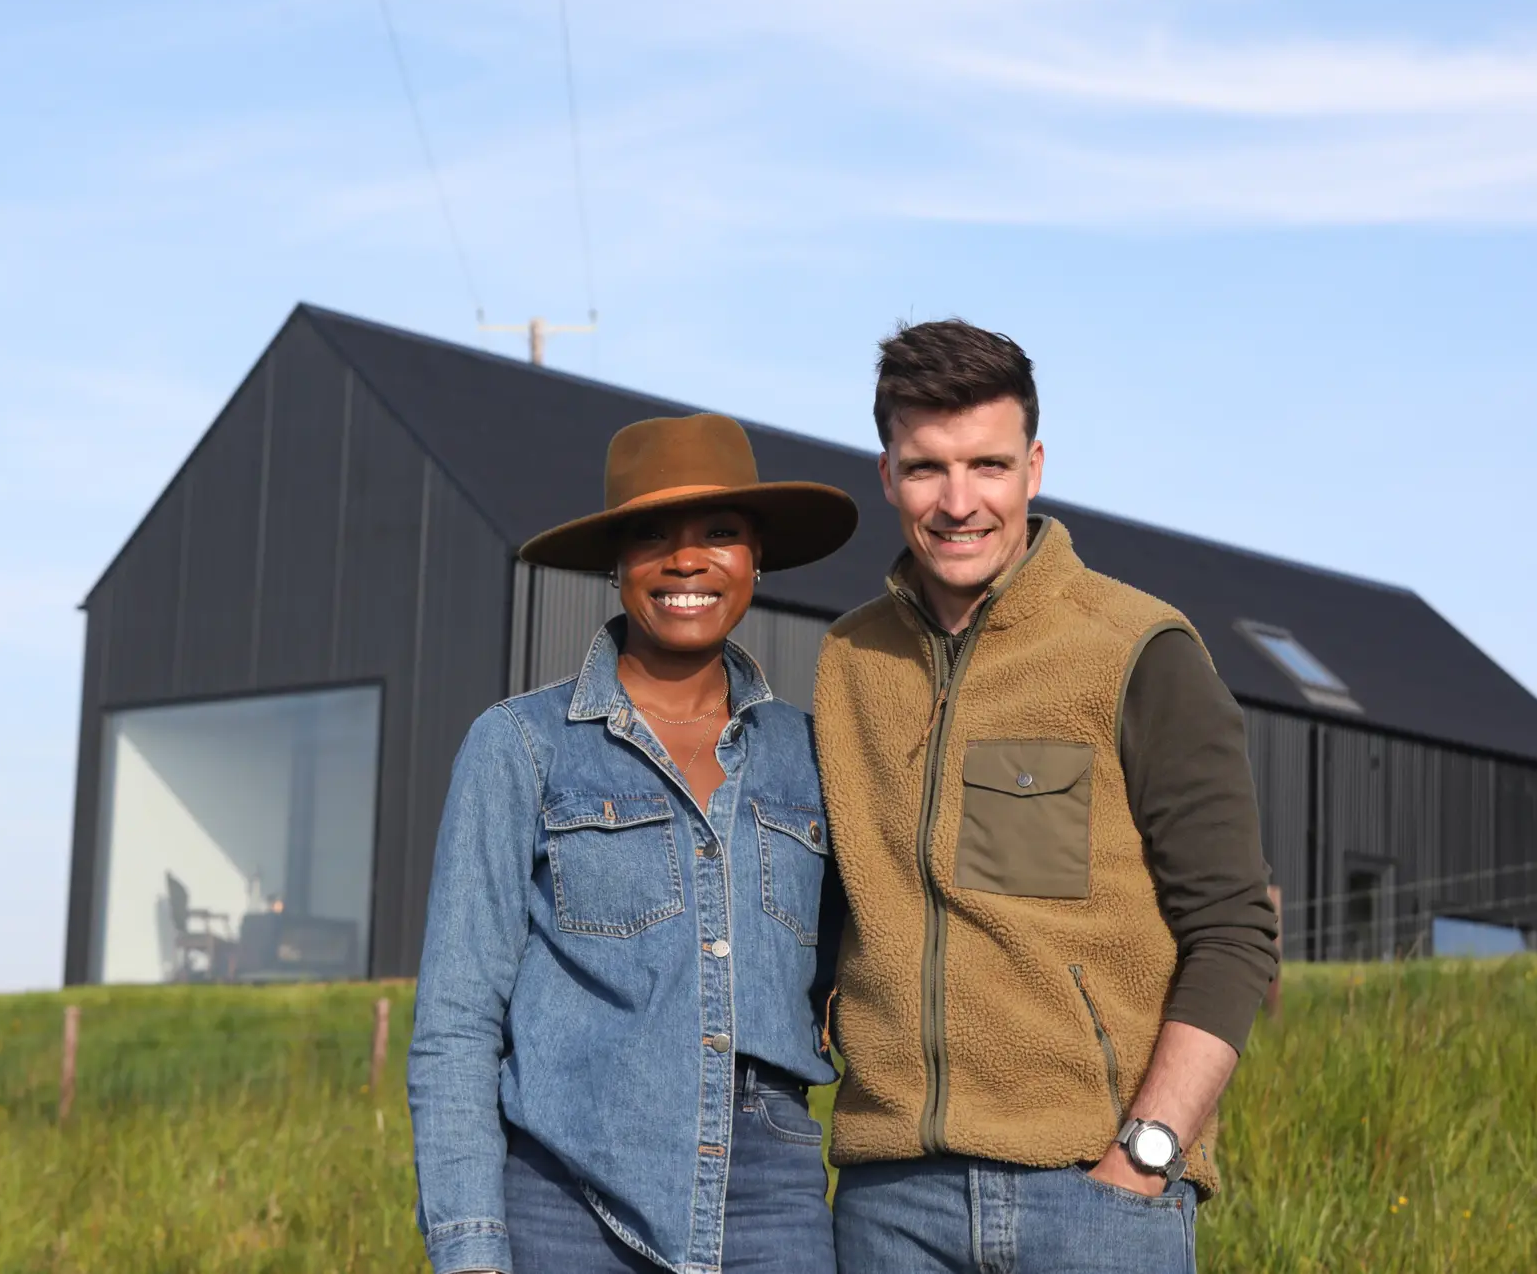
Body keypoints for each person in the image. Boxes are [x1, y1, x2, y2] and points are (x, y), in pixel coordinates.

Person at [814, 320, 1281, 1273]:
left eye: (987, 465)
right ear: (885, 474)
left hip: (1093, 1198)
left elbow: (1234, 931)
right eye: (925, 468)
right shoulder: (846, 663)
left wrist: (1146, 1157)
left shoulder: (1138, 651)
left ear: (1034, 466)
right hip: (887, 1204)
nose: (957, 502)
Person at [408, 413, 859, 1274]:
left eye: (719, 534)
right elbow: (457, 1024)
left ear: (755, 555)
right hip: (565, 1194)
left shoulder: (815, 758)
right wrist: (470, 1247)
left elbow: (866, 978)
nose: (687, 560)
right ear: (616, 564)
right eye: (653, 535)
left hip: (771, 1196)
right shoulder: (519, 747)